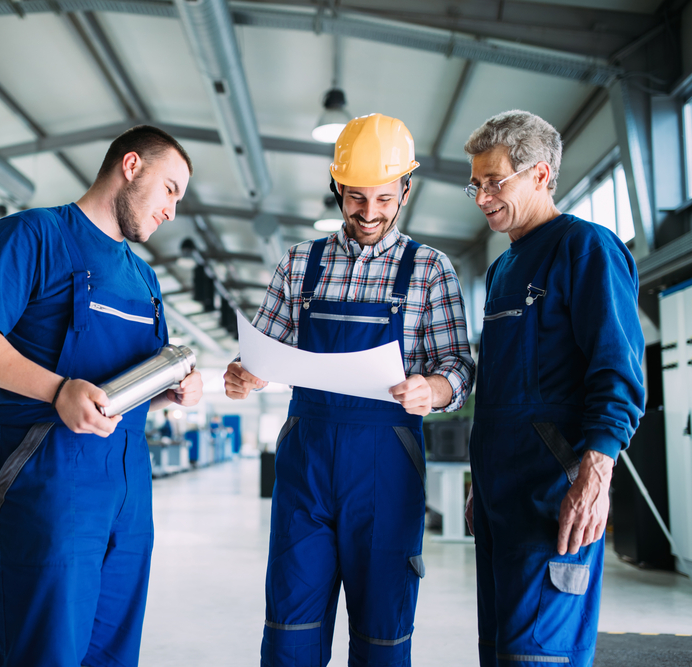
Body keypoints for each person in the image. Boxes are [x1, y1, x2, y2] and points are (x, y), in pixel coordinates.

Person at [0, 125, 204, 667]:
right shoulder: (29, 237)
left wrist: (168, 392)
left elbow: (117, 394)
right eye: (171, 189)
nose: (173, 211)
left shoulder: (144, 278)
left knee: (112, 653)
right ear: (131, 166)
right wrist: (57, 390)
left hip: (129, 494)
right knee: (46, 651)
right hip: (50, 487)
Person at [224, 113, 475, 667]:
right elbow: (264, 350)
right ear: (337, 187)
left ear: (405, 190)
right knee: (291, 630)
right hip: (306, 469)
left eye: (384, 198)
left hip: (386, 469)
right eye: (355, 198)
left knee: (382, 636)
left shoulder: (431, 270)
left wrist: (431, 390)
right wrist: (245, 372)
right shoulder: (299, 263)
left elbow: (459, 365)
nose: (369, 213)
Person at [461, 110, 645, 667]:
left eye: (495, 182)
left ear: (540, 175)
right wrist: (479, 483)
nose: (482, 197)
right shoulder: (501, 270)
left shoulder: (586, 248)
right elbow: (495, 390)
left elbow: (617, 368)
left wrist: (597, 473)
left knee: (541, 656)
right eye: (476, 184)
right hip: (499, 499)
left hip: (554, 497)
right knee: (497, 651)